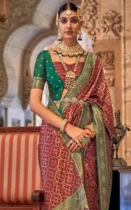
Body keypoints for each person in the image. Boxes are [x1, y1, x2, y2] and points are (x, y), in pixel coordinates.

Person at [30, 2, 114, 210]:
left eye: (74, 20)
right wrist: (69, 128)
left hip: (87, 142)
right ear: (57, 24)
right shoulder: (44, 58)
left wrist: (86, 133)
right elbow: (34, 103)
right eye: (64, 20)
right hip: (56, 139)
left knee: (88, 198)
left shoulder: (93, 62)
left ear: (80, 23)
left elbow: (105, 108)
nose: (69, 25)